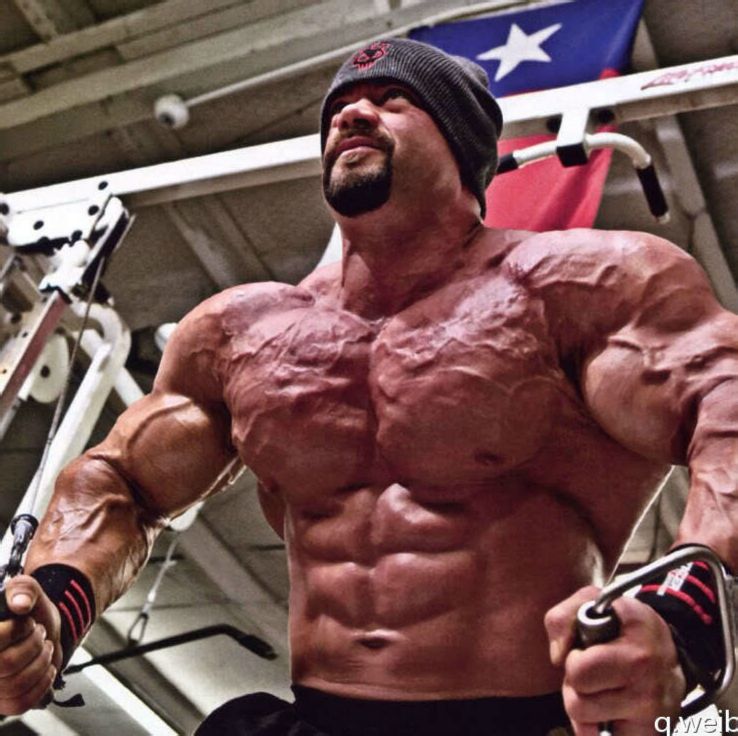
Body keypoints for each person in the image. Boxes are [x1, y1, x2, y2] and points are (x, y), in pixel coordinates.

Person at [0, 37, 736, 736]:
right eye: (340, 108)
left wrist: (687, 616)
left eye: (392, 100)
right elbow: (123, 483)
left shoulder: (578, 286)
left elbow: (725, 405)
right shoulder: (240, 333)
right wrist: (54, 609)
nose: (352, 113)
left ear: (461, 145)